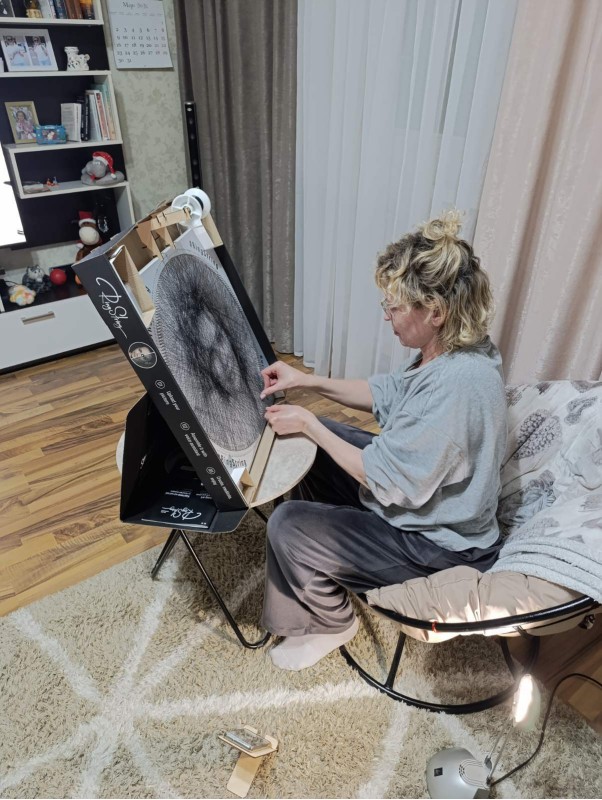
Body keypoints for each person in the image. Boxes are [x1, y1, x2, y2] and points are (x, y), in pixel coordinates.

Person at [259, 209, 507, 671]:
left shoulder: (459, 385)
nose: (387, 317)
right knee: (314, 446)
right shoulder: (451, 350)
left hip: (440, 547)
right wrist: (306, 381)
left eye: (394, 308)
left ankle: (331, 621)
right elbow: (385, 393)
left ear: (435, 311)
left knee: (287, 523)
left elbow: (390, 483)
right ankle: (321, 563)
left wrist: (310, 424)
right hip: (423, 505)